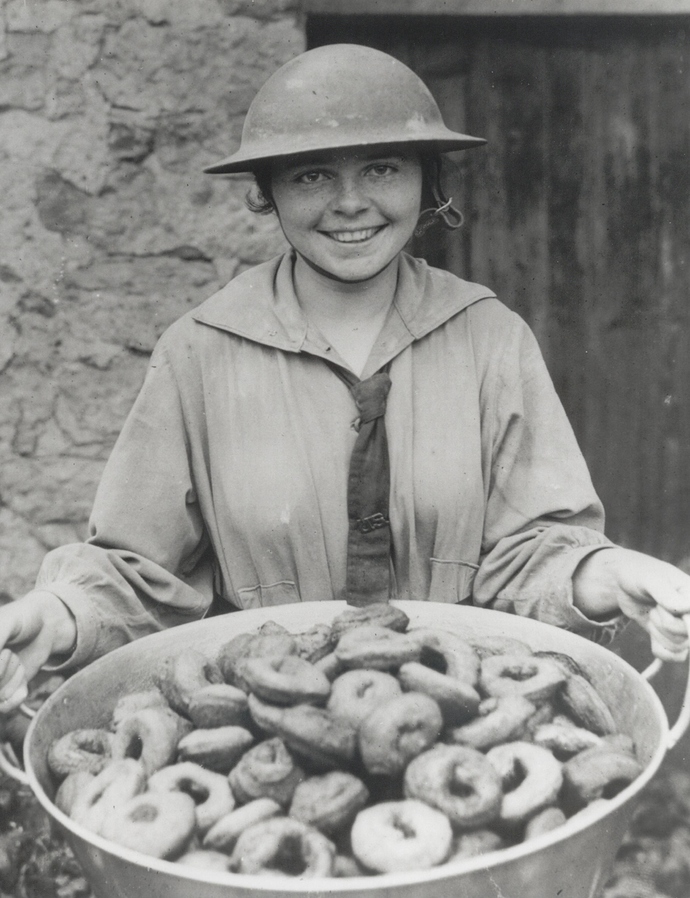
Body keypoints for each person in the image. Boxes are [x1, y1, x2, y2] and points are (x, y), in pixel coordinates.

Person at [0, 43, 688, 714]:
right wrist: (51, 617)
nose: (351, 203)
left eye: (383, 168)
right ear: (266, 191)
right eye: (312, 175)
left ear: (428, 179)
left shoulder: (489, 338)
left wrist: (620, 575)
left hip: (465, 725)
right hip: (260, 742)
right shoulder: (199, 354)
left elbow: (537, 554)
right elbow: (132, 575)